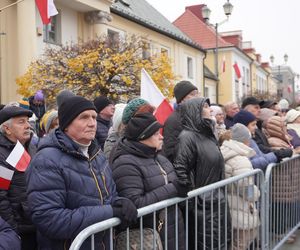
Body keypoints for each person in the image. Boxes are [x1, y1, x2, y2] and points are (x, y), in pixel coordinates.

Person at [26, 96, 137, 249]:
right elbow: (49, 219)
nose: (92, 123)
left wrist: (120, 203)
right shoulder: (46, 161)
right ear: (66, 124)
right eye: (84, 117)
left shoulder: (97, 155)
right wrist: (109, 212)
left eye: (94, 117)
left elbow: (106, 197)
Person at [111, 113, 186, 249]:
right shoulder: (125, 164)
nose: (161, 136)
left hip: (173, 230)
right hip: (148, 237)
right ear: (142, 137)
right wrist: (174, 189)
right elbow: (135, 203)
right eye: (156, 133)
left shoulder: (159, 157)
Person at [173, 97, 231, 249]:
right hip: (203, 208)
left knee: (221, 243)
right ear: (195, 111)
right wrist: (194, 202)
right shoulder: (187, 137)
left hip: (217, 202)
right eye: (205, 106)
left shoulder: (208, 134)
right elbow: (180, 169)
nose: (210, 109)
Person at [0, 105, 37, 249]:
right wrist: (14, 230)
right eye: (21, 122)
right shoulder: (2, 155)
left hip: (37, 223)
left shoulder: (31, 147)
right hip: (21, 229)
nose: (28, 126)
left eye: (27, 121)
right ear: (7, 129)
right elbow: (1, 196)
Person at [220, 123, 260, 250]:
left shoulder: (223, 151)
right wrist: (256, 193)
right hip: (241, 207)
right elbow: (246, 188)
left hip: (229, 205)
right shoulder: (240, 160)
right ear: (246, 140)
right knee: (242, 242)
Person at [163, 80, 198, 163]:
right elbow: (171, 152)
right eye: (192, 94)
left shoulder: (196, 116)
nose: (197, 97)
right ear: (182, 99)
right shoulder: (174, 120)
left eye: (197, 93)